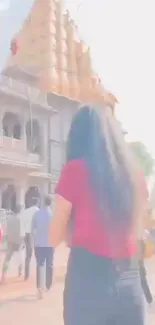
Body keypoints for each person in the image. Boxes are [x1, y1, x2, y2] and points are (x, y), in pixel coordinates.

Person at [49, 106, 148, 325]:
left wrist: (74, 229)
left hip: (87, 284)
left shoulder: (75, 170)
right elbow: (138, 231)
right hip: (130, 283)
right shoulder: (135, 176)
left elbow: (54, 237)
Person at [32, 195, 54, 299]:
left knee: (39, 264)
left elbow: (33, 229)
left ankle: (39, 287)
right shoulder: (53, 215)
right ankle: (48, 285)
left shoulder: (37, 214)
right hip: (50, 244)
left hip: (39, 243)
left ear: (43, 202)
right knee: (49, 264)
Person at [1, 205, 24, 282]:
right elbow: (22, 232)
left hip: (10, 240)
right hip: (18, 241)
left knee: (7, 259)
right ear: (19, 211)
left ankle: (4, 274)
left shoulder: (9, 218)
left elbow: (6, 229)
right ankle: (20, 273)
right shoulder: (21, 219)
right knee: (20, 258)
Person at [21, 197, 39, 281]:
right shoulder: (38, 211)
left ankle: (26, 275)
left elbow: (22, 224)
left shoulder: (25, 212)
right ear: (37, 202)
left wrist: (22, 235)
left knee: (28, 256)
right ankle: (39, 275)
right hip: (35, 235)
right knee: (38, 256)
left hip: (27, 234)